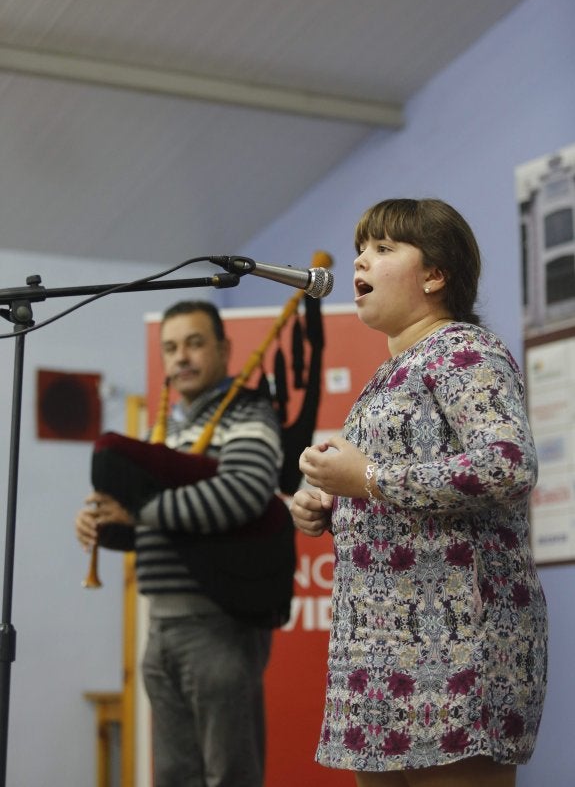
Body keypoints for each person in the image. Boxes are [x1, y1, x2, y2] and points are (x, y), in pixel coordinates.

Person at [291, 198, 548, 787]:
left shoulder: (464, 351)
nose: (362, 260)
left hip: (457, 649)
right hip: (378, 655)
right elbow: (400, 491)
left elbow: (508, 465)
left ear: (434, 275)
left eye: (384, 249)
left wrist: (370, 480)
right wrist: (331, 504)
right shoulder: (391, 371)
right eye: (362, 248)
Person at [76, 300, 283, 787]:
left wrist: (141, 510)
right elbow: (155, 524)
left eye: (194, 343)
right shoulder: (162, 429)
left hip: (219, 625)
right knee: (174, 777)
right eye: (170, 348)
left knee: (230, 774)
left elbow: (244, 492)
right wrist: (104, 526)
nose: (180, 358)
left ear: (224, 349)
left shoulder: (248, 411)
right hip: (161, 626)